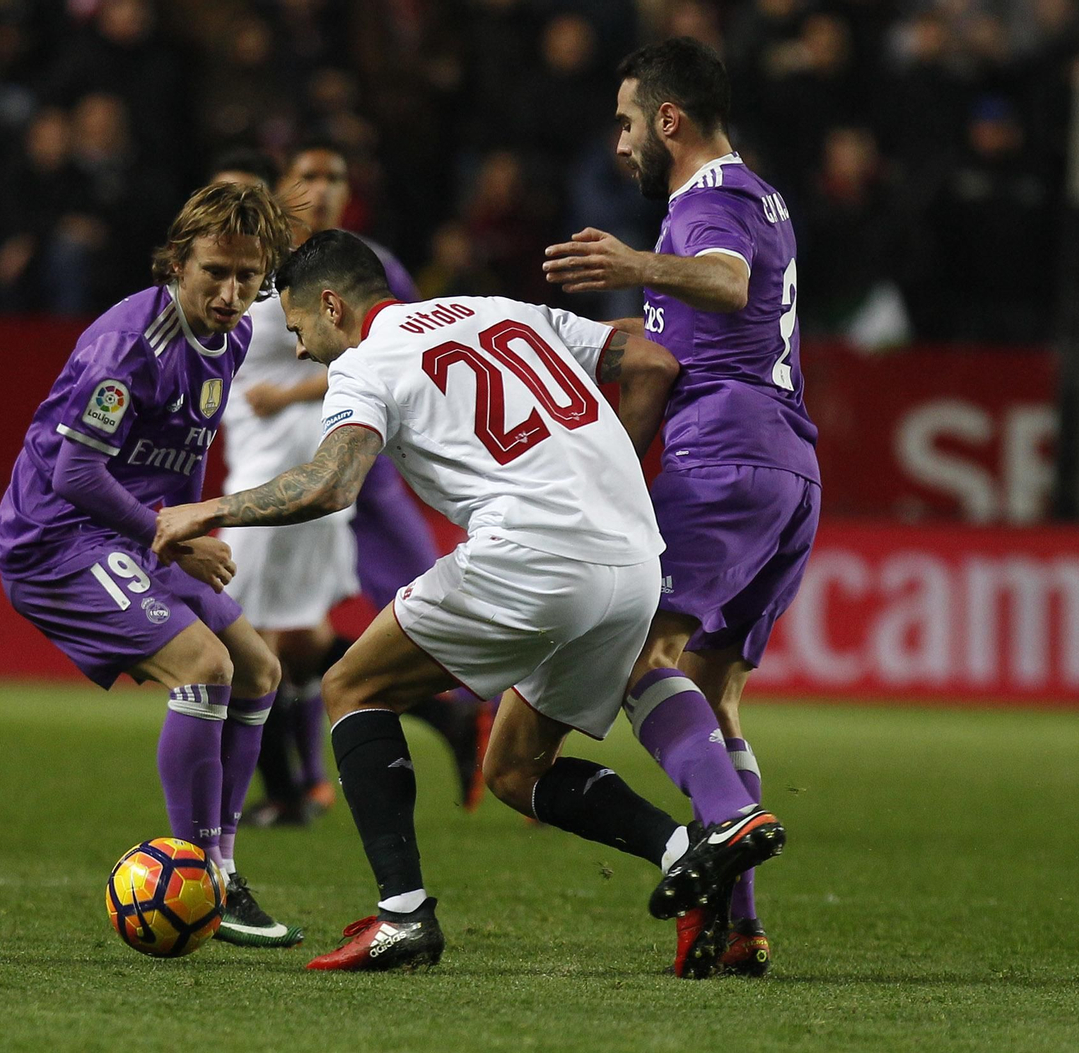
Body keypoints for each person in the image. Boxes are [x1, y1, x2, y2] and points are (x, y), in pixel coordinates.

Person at [152, 231, 786, 976]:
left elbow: (330, 482)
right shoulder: (497, 310)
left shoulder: (365, 362)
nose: (299, 350)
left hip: (532, 553)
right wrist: (604, 474)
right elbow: (649, 359)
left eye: (297, 330)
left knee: (351, 686)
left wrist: (208, 510)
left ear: (332, 304)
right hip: (632, 550)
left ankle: (402, 914)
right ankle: (692, 847)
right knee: (517, 767)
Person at [542, 37, 821, 977]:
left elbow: (729, 282)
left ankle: (729, 820)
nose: (619, 143)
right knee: (714, 690)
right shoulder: (761, 194)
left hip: (726, 453)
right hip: (787, 466)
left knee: (639, 661)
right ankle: (740, 926)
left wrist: (635, 262)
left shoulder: (709, 199)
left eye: (627, 121)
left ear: (669, 120)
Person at [0, 181, 303, 950]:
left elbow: (187, 456)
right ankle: (194, 870)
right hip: (57, 536)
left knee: (258, 668)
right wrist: (173, 535)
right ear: (177, 263)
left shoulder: (229, 337)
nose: (232, 294)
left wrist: (183, 536)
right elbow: (74, 474)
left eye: (248, 277)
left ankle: (222, 876)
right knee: (203, 666)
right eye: (215, 274)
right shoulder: (131, 344)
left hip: (139, 534)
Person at [210, 146, 488, 828]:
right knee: (295, 641)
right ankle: (428, 721)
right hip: (284, 465)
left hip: (302, 469)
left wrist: (292, 392)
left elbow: (390, 343)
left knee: (242, 641)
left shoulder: (315, 270)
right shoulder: (247, 273)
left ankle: (288, 792)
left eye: (244, 198)